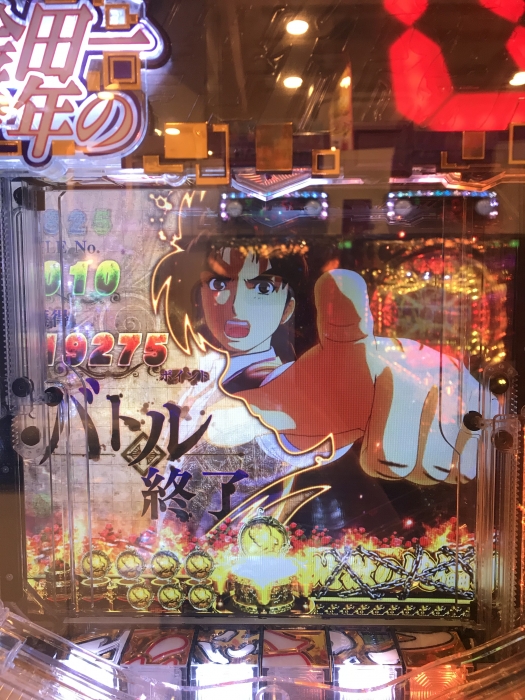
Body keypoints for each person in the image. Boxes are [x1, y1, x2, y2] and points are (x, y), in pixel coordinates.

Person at [152, 236, 483, 489]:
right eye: (219, 283)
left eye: (263, 287)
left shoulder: (280, 380)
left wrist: (311, 415)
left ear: (288, 307)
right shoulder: (201, 364)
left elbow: (280, 435)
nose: (236, 305)